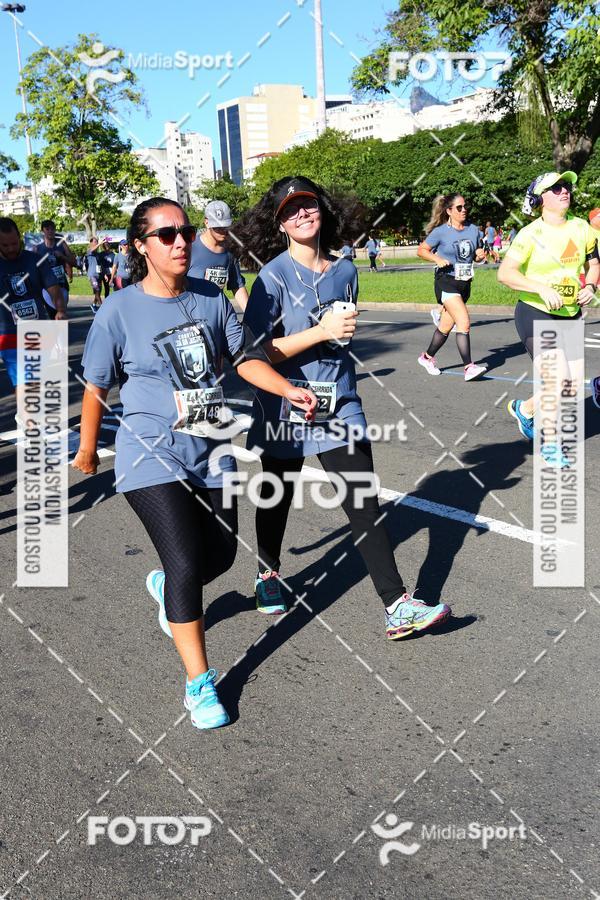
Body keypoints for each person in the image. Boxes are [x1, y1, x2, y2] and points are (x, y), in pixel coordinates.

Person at [72, 197, 317, 730]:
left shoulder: (211, 298)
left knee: (222, 557)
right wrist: (89, 449)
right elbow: (95, 385)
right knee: (186, 563)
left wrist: (287, 388)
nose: (180, 242)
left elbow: (247, 358)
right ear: (141, 246)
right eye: (166, 235)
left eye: (184, 231)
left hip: (209, 449)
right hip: (148, 454)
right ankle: (199, 683)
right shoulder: (119, 309)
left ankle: (167, 588)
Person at [235, 175, 451, 640]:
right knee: (278, 493)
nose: (302, 214)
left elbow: (340, 339)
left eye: (308, 205)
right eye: (291, 210)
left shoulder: (346, 271)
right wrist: (320, 332)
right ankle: (268, 573)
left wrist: (338, 335)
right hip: (286, 406)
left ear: (322, 209)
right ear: (279, 223)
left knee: (363, 501)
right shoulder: (270, 278)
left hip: (340, 403)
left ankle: (396, 606)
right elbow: (256, 353)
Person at [498, 171, 599, 468]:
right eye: (555, 188)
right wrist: (540, 287)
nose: (563, 191)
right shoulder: (530, 234)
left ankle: (525, 409)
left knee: (565, 384)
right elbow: (506, 274)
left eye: (565, 186)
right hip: (534, 312)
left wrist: (590, 286)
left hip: (569, 314)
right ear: (540, 200)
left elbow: (594, 266)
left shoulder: (583, 229)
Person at [416, 194, 488, 381]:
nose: (464, 210)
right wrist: (437, 259)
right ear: (449, 211)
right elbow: (421, 250)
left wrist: (479, 256)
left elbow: (472, 256)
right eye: (459, 208)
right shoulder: (440, 232)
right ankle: (469, 367)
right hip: (445, 281)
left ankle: (427, 358)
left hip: (464, 283)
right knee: (463, 322)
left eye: (465, 206)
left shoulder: (473, 229)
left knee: (445, 327)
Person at [0, 217, 64, 394]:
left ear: (19, 237)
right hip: (8, 333)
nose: (11, 248)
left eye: (14, 243)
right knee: (24, 383)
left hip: (37, 328)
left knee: (36, 380)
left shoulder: (35, 260)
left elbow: (53, 288)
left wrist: (60, 309)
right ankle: (29, 421)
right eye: (5, 246)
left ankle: (26, 418)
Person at [188, 200, 248, 311]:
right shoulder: (190, 246)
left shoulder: (230, 250)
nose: (222, 231)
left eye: (226, 227)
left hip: (220, 313)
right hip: (192, 314)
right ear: (206, 223)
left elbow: (237, 285)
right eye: (217, 228)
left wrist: (251, 316)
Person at [33, 219, 76, 319]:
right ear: (42, 231)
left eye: (52, 229)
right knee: (53, 315)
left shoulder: (62, 244)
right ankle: (58, 333)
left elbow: (74, 262)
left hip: (61, 286)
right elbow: (33, 270)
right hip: (46, 288)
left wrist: (62, 256)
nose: (50, 231)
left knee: (62, 316)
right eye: (47, 229)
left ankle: (61, 334)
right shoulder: (37, 249)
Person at [86, 237, 102, 312]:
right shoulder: (89, 251)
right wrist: (100, 243)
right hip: (92, 275)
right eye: (95, 241)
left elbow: (99, 265)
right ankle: (102, 308)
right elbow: (92, 249)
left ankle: (93, 304)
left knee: (98, 292)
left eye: (97, 241)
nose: (96, 243)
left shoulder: (97, 254)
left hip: (98, 274)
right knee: (97, 290)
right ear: (91, 243)